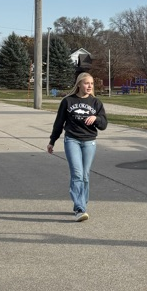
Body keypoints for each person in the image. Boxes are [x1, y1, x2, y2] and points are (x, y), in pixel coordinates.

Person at [47, 72, 108, 222]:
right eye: (87, 83)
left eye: (92, 84)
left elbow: (104, 125)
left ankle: (81, 204)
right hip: (72, 140)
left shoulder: (96, 103)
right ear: (79, 84)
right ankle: (80, 208)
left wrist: (96, 118)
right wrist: (52, 141)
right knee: (77, 173)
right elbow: (59, 123)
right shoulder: (67, 101)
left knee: (85, 175)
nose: (89, 86)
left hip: (89, 141)